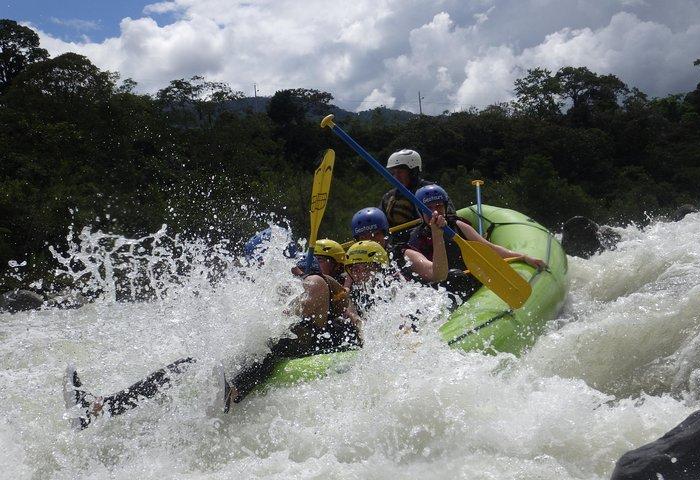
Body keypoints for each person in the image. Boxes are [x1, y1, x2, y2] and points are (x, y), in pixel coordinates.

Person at [63, 244, 385, 429]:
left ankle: (233, 392)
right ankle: (99, 407)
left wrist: (286, 312)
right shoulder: (297, 283)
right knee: (187, 364)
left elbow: (319, 315)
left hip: (307, 349)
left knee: (272, 347)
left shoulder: (321, 281)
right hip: (288, 345)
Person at [404, 184, 545, 302]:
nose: (435, 211)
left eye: (439, 206)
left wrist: (523, 257)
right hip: (443, 293)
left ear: (446, 207)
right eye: (429, 207)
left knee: (458, 277)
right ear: (421, 212)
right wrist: (437, 235)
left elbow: (490, 249)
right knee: (454, 276)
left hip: (471, 282)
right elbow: (436, 275)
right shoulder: (414, 243)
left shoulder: (459, 226)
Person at [379, 149, 455, 243]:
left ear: (413, 171)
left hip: (428, 240)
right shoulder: (388, 197)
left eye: (400, 172)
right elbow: (381, 227)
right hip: (399, 244)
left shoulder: (432, 191)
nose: (396, 177)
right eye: (393, 173)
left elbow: (450, 217)